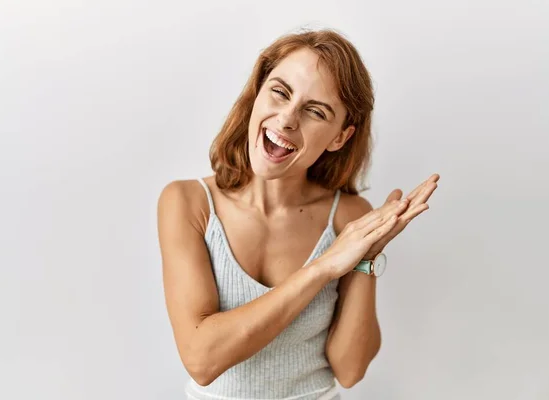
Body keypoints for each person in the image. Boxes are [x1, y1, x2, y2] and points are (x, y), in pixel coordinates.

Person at [157, 28, 439, 400]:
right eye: (280, 92)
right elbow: (201, 359)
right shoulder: (188, 202)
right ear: (258, 91)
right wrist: (322, 268)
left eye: (315, 111)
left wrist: (366, 257)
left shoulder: (350, 217)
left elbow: (350, 370)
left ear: (339, 137)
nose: (287, 119)